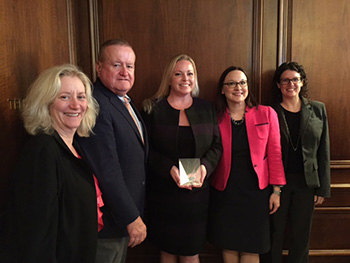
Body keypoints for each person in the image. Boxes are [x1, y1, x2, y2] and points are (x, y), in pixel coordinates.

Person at [0, 64, 102, 263]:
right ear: (45, 103)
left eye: (81, 97)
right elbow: (36, 232)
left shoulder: (73, 146)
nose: (75, 105)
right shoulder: (42, 150)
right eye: (64, 97)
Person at [142, 54, 222, 263]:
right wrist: (169, 168)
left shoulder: (207, 108)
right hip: (163, 192)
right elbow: (145, 151)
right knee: (167, 250)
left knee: (191, 251)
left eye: (190, 73)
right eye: (178, 73)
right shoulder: (152, 109)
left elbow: (216, 146)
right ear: (169, 79)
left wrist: (205, 167)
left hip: (197, 196)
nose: (185, 78)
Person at [77, 39, 148, 263]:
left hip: (120, 221)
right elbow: (106, 169)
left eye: (130, 66)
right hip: (108, 222)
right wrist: (131, 216)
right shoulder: (97, 104)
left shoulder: (124, 100)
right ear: (99, 68)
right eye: (117, 65)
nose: (125, 72)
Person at [207, 66, 286, 263]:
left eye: (242, 82)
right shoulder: (213, 117)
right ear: (222, 89)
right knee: (230, 245)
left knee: (252, 246)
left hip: (257, 192)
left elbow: (275, 154)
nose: (238, 87)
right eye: (232, 83)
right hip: (225, 191)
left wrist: (276, 191)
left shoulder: (266, 114)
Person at [267, 62, 331, 263]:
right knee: (274, 233)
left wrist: (323, 188)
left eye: (295, 79)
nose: (290, 84)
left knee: (301, 235)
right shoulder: (269, 111)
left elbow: (324, 150)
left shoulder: (318, 109)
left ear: (302, 83)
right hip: (277, 184)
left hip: (306, 183)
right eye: (285, 80)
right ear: (278, 84)